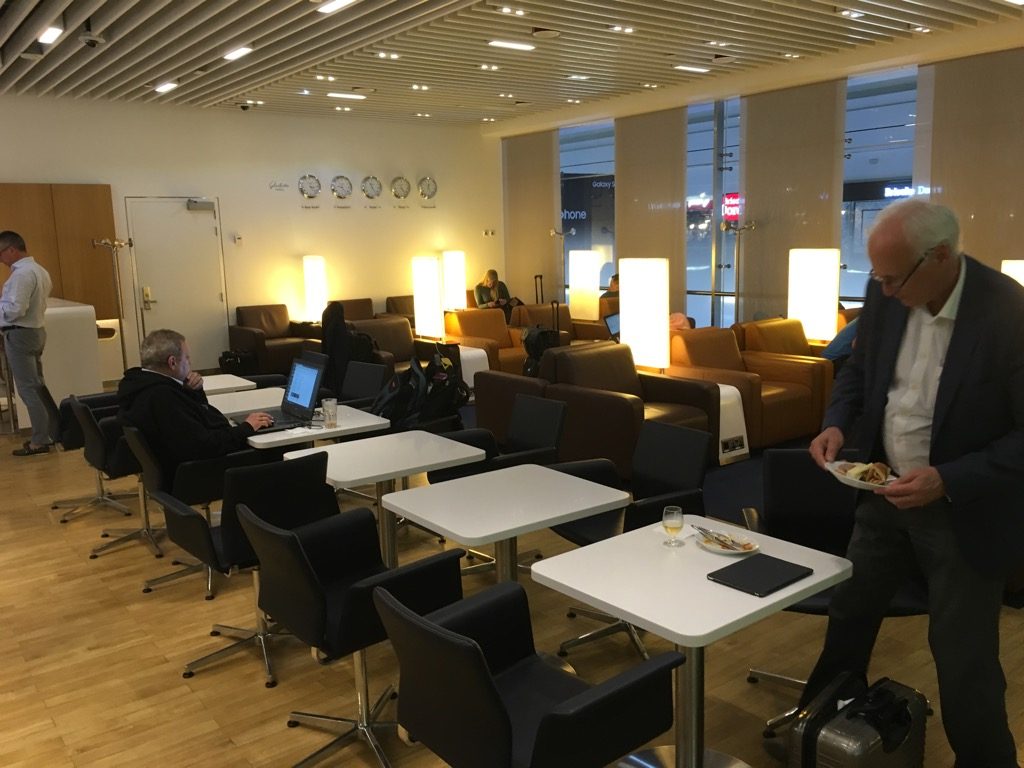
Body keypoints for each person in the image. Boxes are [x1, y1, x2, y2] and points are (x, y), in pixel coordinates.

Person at [804, 198, 1023, 768]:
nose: (882, 288)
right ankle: (819, 737)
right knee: (849, 618)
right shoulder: (885, 294)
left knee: (963, 656)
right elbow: (859, 372)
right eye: (876, 276)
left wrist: (947, 479)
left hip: (961, 512)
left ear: (941, 256)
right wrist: (836, 422)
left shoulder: (1009, 312)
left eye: (892, 277)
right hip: (882, 495)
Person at [118, 329, 275, 482]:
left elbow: (198, 418)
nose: (190, 363)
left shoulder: (139, 385)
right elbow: (205, 446)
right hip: (193, 474)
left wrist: (193, 392)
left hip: (175, 468)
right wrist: (246, 427)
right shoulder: (163, 397)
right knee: (273, 453)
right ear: (172, 362)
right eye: (187, 358)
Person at [0, 231, 57, 456]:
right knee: (38, 386)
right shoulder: (39, 270)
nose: (1, 260)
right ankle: (49, 433)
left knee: (28, 389)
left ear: (12, 250)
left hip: (20, 334)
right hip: (35, 331)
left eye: (1, 254)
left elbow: (15, 310)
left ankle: (40, 440)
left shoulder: (22, 274)